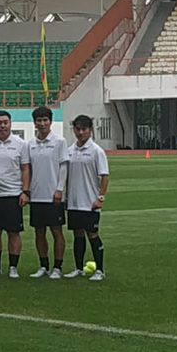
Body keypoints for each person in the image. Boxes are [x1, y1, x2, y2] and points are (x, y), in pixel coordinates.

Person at [0, 110, 30, 278]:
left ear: (10, 124)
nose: (2, 125)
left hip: (13, 194)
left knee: (13, 232)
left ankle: (13, 267)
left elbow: (25, 169)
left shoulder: (20, 144)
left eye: (5, 122)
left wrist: (25, 192)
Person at [64, 115, 109, 282]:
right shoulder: (70, 151)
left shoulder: (97, 151)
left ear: (90, 130)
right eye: (78, 129)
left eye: (84, 129)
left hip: (90, 202)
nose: (81, 132)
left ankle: (100, 270)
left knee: (93, 234)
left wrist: (100, 198)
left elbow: (104, 176)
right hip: (74, 201)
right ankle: (78, 268)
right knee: (77, 235)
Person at [26, 106, 69, 280]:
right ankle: (43, 265)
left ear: (50, 122)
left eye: (45, 120)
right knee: (39, 232)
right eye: (39, 120)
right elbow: (27, 169)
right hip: (36, 195)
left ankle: (57, 267)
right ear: (34, 123)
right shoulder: (30, 144)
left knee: (56, 231)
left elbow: (64, 166)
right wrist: (27, 191)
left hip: (53, 196)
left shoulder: (59, 141)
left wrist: (60, 189)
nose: (42, 124)